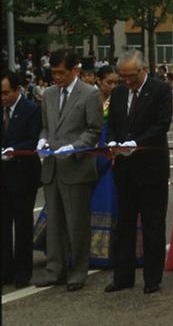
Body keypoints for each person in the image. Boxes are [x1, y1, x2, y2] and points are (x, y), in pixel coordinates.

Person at [35, 48, 104, 291]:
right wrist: (42, 141)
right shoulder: (50, 94)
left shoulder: (90, 94)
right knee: (53, 223)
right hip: (53, 167)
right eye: (53, 73)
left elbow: (94, 131)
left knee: (77, 224)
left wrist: (74, 147)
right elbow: (45, 126)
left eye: (61, 72)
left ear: (75, 70)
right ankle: (55, 269)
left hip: (76, 168)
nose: (57, 77)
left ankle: (78, 270)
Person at [104, 51, 172, 294]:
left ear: (143, 70)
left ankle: (153, 278)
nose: (127, 81)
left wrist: (137, 142)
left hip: (151, 167)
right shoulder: (119, 92)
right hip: (124, 169)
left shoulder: (160, 90)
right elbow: (112, 123)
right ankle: (123, 276)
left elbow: (162, 124)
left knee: (153, 225)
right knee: (124, 225)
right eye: (123, 76)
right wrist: (113, 142)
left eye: (131, 76)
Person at [1, 70, 42, 288]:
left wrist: (13, 150)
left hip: (24, 175)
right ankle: (5, 269)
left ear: (17, 90)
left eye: (6, 93)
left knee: (23, 224)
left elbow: (33, 140)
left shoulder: (32, 110)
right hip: (3, 177)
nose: (3, 97)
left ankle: (23, 271)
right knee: (3, 225)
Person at [88, 65, 120, 268]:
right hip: (90, 154)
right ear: (99, 81)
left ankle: (110, 250)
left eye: (117, 82)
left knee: (109, 200)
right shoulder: (90, 100)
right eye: (109, 82)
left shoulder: (118, 100)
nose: (114, 86)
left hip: (110, 156)